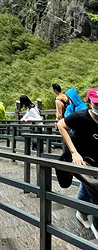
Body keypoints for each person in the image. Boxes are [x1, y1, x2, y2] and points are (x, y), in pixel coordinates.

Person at [57, 88, 98, 238]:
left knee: (88, 185)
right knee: (95, 188)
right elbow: (61, 125)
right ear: (89, 103)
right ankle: (97, 226)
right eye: (96, 104)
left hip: (96, 158)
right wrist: (74, 152)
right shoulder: (80, 117)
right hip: (81, 159)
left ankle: (81, 212)